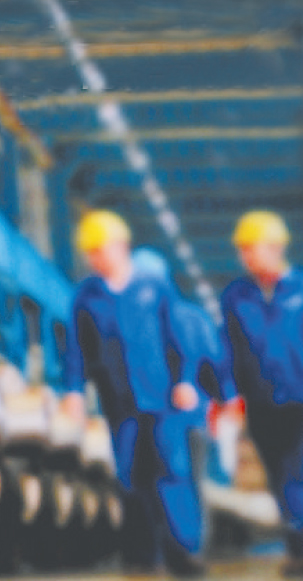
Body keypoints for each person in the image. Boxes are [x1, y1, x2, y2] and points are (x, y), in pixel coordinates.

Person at [63, 211, 210, 578]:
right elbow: (77, 351)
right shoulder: (86, 298)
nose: (95, 258)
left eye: (100, 250)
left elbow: (178, 339)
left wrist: (185, 380)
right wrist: (74, 391)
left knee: (171, 473)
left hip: (163, 402)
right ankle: (144, 556)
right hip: (120, 405)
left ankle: (184, 552)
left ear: (121, 246)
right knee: (131, 478)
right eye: (90, 252)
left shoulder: (154, 287)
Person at [219, 210, 303, 580]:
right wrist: (227, 392)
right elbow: (228, 347)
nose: (245, 256)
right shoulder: (235, 296)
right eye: (242, 249)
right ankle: (298, 551)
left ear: (276, 248)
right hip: (260, 401)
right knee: (277, 475)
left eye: (252, 248)